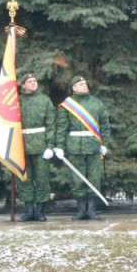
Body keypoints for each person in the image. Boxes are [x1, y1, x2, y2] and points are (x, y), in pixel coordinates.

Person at [54, 76, 110, 221]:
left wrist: (105, 144)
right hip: (75, 147)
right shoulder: (68, 105)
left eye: (85, 83)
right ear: (74, 88)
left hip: (93, 146)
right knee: (77, 179)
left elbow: (105, 126)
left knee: (94, 178)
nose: (84, 85)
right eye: (80, 84)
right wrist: (59, 146)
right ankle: (81, 210)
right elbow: (62, 128)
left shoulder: (97, 103)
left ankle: (91, 210)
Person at [17, 73, 57, 222]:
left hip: (41, 145)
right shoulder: (17, 102)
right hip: (21, 146)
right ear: (23, 85)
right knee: (24, 179)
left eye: (35, 81)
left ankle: (40, 211)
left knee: (42, 179)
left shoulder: (44, 100)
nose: (34, 83)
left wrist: (50, 145)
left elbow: (51, 125)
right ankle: (29, 211)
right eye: (30, 81)